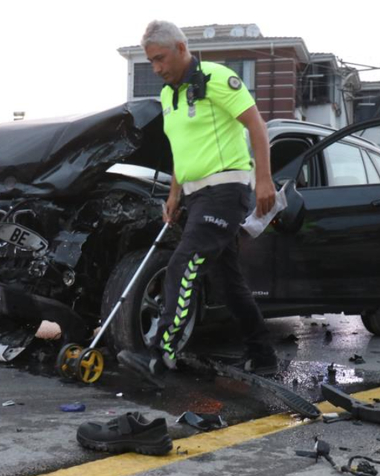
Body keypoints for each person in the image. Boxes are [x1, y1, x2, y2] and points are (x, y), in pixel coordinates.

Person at [117, 21, 278, 385]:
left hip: (226, 190)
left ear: (180, 47)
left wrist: (264, 179)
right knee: (227, 282)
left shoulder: (217, 78)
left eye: (160, 59)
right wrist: (174, 195)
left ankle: (162, 354)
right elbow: (181, 151)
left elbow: (257, 126)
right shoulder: (167, 96)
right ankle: (262, 354)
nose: (156, 68)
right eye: (150, 62)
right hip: (196, 196)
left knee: (183, 263)